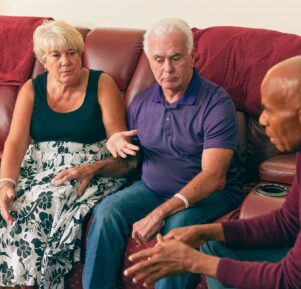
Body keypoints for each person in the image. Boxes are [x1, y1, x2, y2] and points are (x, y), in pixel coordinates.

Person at [123, 55, 301, 289]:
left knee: (210, 258)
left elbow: (295, 279)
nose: (261, 120)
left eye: (270, 111)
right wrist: (206, 231)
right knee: (214, 245)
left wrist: (195, 263)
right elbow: (289, 221)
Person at [0, 20, 133, 289]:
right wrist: (8, 182)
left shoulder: (102, 84)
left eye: (72, 53)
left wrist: (112, 148)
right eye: (56, 55)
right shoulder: (32, 89)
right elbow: (16, 142)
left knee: (43, 200)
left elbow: (117, 140)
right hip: (38, 165)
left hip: (84, 168)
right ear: (44, 60)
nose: (66, 61)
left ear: (81, 54)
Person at [82, 18, 244, 289]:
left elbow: (214, 177)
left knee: (177, 228)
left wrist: (161, 212)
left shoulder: (216, 103)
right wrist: (98, 164)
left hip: (209, 194)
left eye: (176, 58)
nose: (167, 68)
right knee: (107, 211)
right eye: (158, 59)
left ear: (192, 57)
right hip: (152, 188)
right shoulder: (143, 101)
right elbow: (132, 163)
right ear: (148, 60)